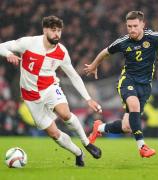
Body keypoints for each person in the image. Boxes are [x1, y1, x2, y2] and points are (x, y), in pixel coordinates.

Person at [0, 15, 103, 167]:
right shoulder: (29, 43)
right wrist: (9, 54)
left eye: (59, 31)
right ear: (45, 30)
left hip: (50, 88)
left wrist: (88, 99)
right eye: (53, 30)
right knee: (54, 134)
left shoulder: (61, 52)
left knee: (65, 113)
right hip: (30, 96)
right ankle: (78, 153)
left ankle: (87, 143)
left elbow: (73, 75)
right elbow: (1, 46)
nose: (57, 34)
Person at [84, 11, 158, 158]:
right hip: (127, 80)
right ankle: (142, 147)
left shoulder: (154, 37)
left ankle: (100, 127)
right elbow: (105, 52)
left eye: (135, 26)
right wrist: (94, 65)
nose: (132, 29)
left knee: (127, 126)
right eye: (129, 26)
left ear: (143, 24)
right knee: (134, 105)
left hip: (145, 85)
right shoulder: (123, 41)